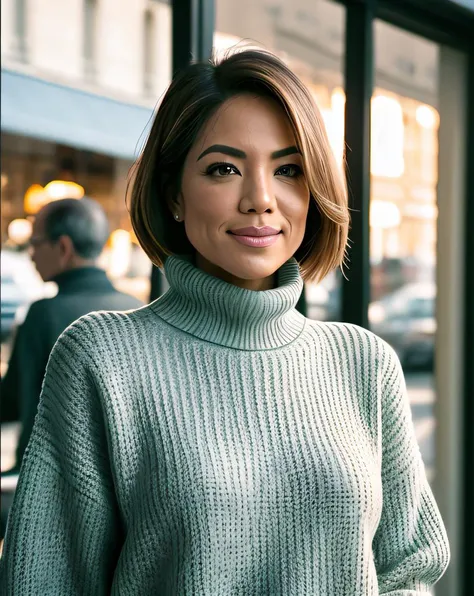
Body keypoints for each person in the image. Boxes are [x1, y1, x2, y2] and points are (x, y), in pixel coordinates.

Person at [0, 50, 449, 594]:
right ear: (175, 195)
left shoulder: (365, 361)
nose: (260, 199)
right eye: (224, 169)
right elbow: (47, 581)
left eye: (288, 170)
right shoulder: (101, 358)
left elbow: (409, 568)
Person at [1, 197, 143, 472]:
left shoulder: (44, 314)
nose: (30, 254)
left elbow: (13, 401)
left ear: (63, 247)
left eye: (36, 243)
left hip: (51, 482)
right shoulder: (135, 309)